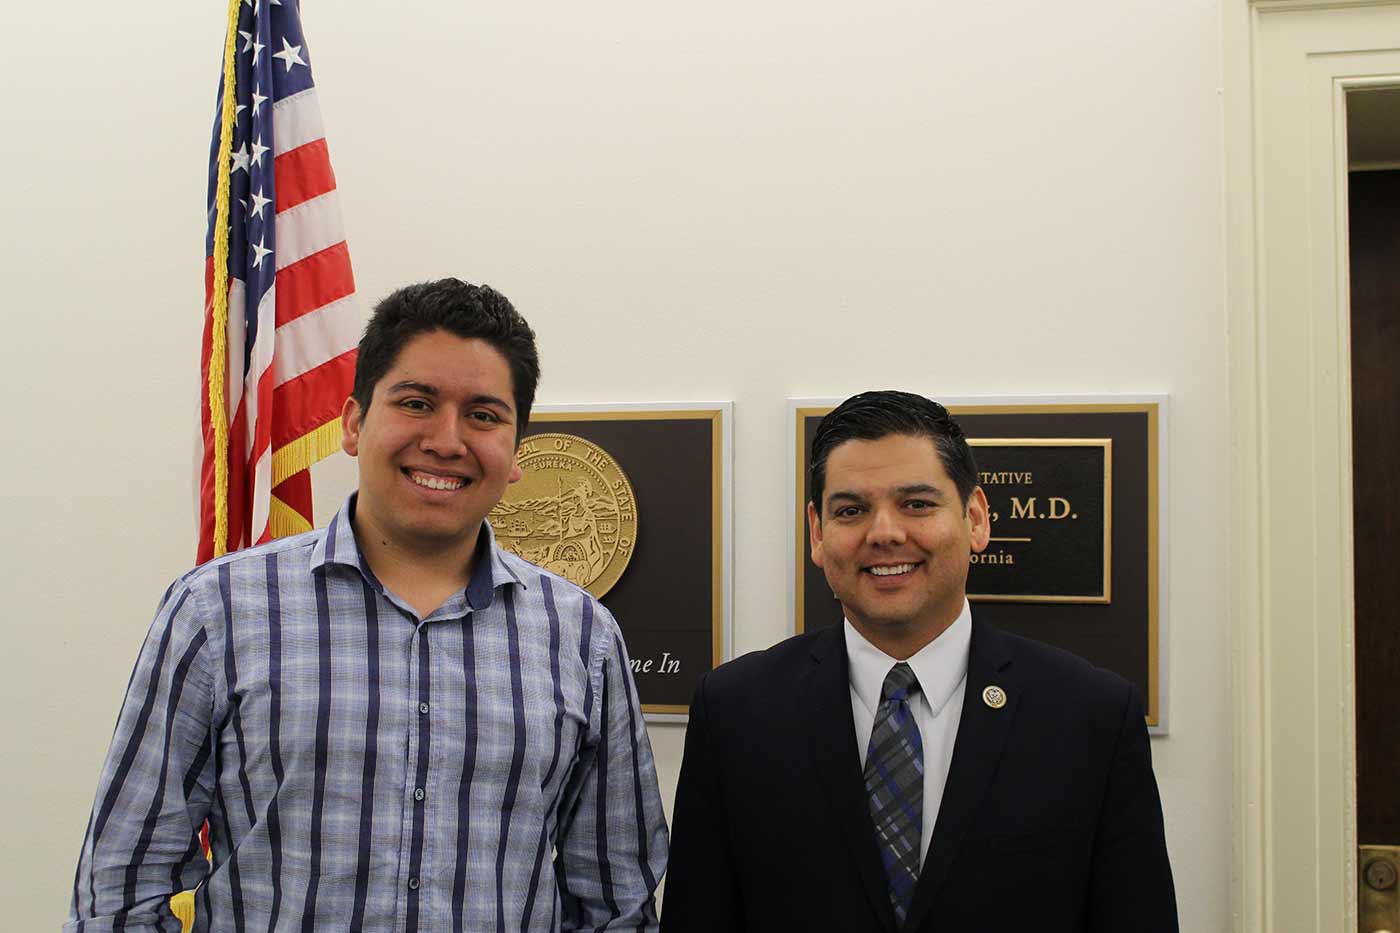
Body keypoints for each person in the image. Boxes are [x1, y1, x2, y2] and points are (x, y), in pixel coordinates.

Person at [66, 279, 668, 931]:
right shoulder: (218, 611)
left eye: (484, 415)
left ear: (515, 449)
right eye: (417, 402)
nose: (447, 439)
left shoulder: (582, 637)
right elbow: (122, 887)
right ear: (354, 422)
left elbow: (616, 904)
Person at [662, 390, 1176, 933]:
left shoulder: (1091, 716)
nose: (884, 533)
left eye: (917, 504)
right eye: (851, 510)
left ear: (976, 519)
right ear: (817, 532)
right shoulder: (735, 711)